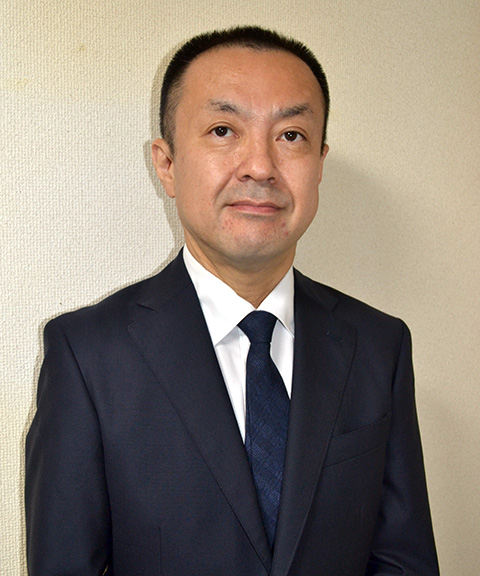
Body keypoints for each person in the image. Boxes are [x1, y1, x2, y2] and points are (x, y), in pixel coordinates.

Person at [25, 26, 439, 575]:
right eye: (223, 130)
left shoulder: (378, 346)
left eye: (291, 135)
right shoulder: (88, 355)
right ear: (167, 164)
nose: (260, 166)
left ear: (319, 163)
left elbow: (404, 561)